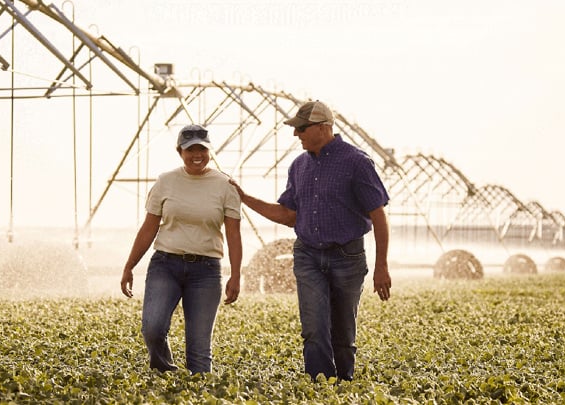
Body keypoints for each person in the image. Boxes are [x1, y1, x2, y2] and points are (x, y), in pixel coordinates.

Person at [230, 100, 391, 381]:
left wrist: (382, 266)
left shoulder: (356, 162)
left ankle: (343, 384)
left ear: (323, 128)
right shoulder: (299, 166)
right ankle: (319, 387)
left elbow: (378, 215)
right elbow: (288, 215)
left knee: (343, 330)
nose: (296, 134)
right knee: (314, 326)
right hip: (308, 256)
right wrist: (244, 198)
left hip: (348, 257)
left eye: (301, 128)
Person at [120, 124, 242, 374]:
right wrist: (129, 266)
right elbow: (148, 228)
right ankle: (166, 376)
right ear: (180, 151)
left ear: (209, 151)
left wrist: (236, 274)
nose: (197, 154)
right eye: (190, 149)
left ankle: (197, 396)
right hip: (166, 264)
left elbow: (233, 234)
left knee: (198, 351)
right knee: (153, 328)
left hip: (206, 271)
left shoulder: (225, 185)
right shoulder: (165, 181)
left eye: (202, 149)